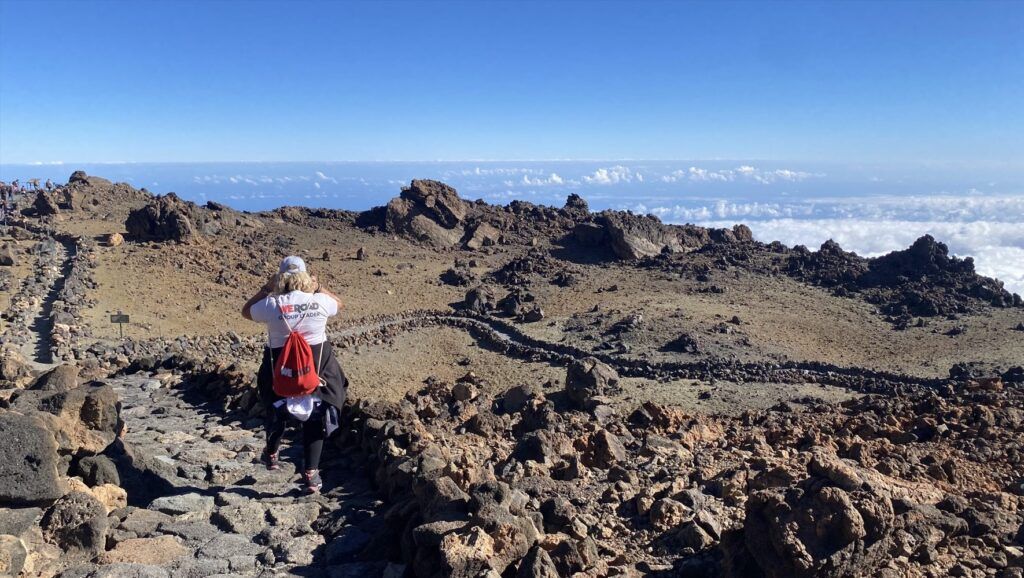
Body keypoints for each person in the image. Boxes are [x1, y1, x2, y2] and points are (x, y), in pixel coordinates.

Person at [242, 256, 347, 493]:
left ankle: (271, 453)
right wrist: (319, 286)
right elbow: (339, 304)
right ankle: (311, 475)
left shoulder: (272, 305)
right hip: (316, 372)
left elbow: (246, 311)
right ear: (305, 277)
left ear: (281, 277)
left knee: (276, 409)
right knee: (315, 418)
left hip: (280, 371)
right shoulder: (319, 301)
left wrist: (267, 288)